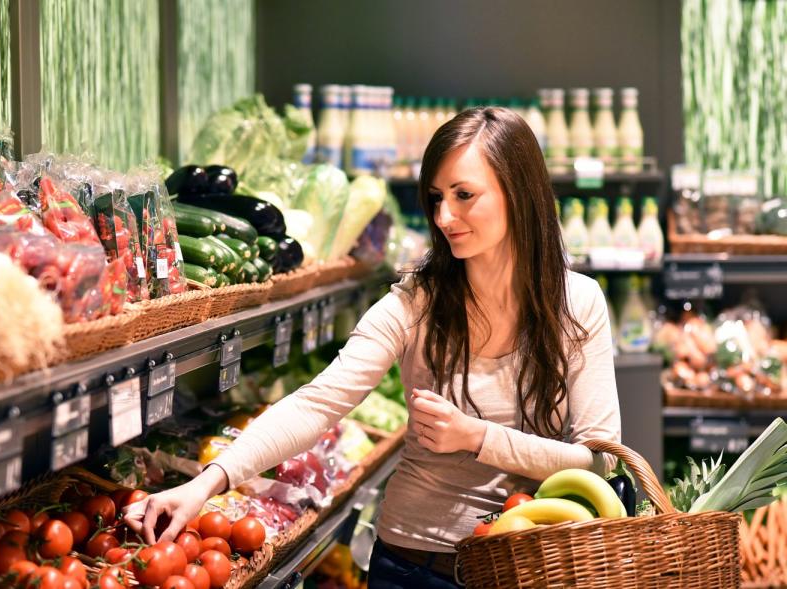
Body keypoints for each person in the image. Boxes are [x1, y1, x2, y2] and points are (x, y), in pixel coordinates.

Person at [124, 107, 621, 588]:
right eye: (436, 197)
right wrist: (206, 484)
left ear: (518, 192)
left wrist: (478, 438)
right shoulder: (415, 304)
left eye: (465, 195)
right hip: (413, 563)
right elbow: (318, 402)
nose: (445, 216)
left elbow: (602, 461)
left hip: (535, 564)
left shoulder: (577, 305)